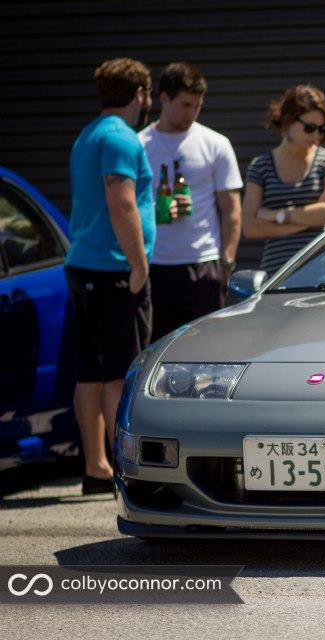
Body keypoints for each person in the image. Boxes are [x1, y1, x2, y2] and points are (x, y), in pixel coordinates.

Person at [65, 58, 156, 495]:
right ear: (140, 93)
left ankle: (96, 468)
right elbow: (121, 202)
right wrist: (138, 263)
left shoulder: (88, 133)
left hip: (84, 266)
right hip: (113, 269)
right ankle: (124, 471)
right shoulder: (121, 137)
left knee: (90, 372)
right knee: (121, 374)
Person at [139, 62, 243, 340]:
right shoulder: (141, 144)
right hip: (155, 263)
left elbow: (231, 208)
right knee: (157, 346)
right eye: (185, 105)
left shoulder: (215, 143)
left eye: (197, 106)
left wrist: (227, 262)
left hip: (203, 262)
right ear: (164, 98)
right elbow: (127, 205)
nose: (192, 113)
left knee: (207, 345)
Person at [241, 85, 325, 274]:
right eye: (309, 128)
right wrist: (310, 219)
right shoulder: (260, 165)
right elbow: (250, 228)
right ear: (287, 121)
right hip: (278, 273)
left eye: (321, 129)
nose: (316, 136)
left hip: (322, 268)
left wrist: (277, 216)